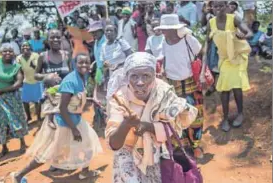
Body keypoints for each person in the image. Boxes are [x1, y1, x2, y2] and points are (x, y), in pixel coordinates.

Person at [105, 52, 198, 183]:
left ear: (154, 76)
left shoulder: (163, 92)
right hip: (127, 155)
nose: (140, 82)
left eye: (146, 76)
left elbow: (174, 126)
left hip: (157, 154)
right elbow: (113, 144)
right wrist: (125, 124)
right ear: (126, 77)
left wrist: (148, 127)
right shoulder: (120, 98)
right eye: (134, 76)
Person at [11, 54, 103, 182]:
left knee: (88, 143)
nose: (84, 65)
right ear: (74, 64)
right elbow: (62, 108)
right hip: (66, 123)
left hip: (75, 119)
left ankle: (85, 171)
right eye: (80, 63)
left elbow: (75, 98)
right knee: (48, 152)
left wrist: (91, 99)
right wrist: (74, 129)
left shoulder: (82, 77)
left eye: (87, 62)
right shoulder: (70, 81)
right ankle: (19, 175)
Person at [155, 14, 205, 159]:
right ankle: (182, 146)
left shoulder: (188, 39)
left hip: (191, 83)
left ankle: (196, 146)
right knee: (176, 117)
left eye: (166, 29)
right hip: (172, 85)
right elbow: (162, 60)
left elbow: (201, 54)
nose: (163, 32)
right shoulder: (164, 42)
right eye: (163, 29)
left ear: (173, 29)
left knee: (196, 116)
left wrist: (201, 73)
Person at [204, 1, 253, 132]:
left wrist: (242, 35)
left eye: (221, 5)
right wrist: (204, 65)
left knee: (236, 85)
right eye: (216, 6)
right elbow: (207, 43)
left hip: (238, 56)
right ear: (212, 8)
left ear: (226, 7)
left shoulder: (234, 19)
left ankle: (240, 113)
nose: (218, 8)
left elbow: (249, 33)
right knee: (224, 88)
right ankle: (225, 119)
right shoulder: (211, 23)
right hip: (224, 58)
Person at [0, 43, 28, 158]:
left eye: (10, 51)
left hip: (12, 97)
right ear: (1, 52)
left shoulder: (16, 67)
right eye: (5, 51)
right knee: (1, 122)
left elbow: (18, 83)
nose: (7, 53)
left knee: (17, 119)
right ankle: (4, 147)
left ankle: (22, 143)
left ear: (13, 53)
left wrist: (1, 90)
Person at [16, 42, 43, 122]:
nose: (25, 47)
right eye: (23, 46)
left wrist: (33, 66)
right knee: (25, 101)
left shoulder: (36, 56)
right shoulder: (19, 58)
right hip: (26, 82)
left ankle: (38, 117)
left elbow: (40, 69)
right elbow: (19, 70)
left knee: (37, 101)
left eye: (26, 45)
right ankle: (28, 117)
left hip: (36, 81)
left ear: (30, 47)